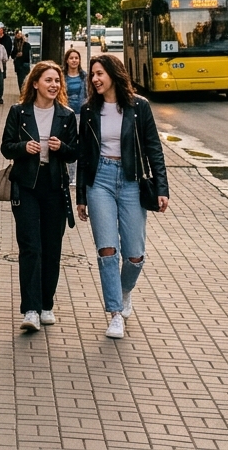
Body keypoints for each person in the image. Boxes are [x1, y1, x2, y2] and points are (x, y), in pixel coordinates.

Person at [76, 55, 169, 339]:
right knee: (107, 250)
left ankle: (124, 289)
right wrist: (81, 195)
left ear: (114, 74)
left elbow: (154, 148)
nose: (95, 79)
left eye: (100, 74)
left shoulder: (139, 107)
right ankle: (116, 313)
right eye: (92, 75)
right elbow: (84, 156)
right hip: (99, 181)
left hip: (130, 181)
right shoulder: (90, 110)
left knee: (135, 255)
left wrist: (162, 188)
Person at [0, 60, 78, 332]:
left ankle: (47, 305)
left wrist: (61, 147)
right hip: (27, 187)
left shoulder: (66, 115)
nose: (54, 85)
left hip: (55, 187)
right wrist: (24, 147)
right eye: (48, 80)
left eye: (57, 81)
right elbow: (6, 147)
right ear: (35, 83)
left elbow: (75, 152)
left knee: (52, 249)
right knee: (31, 247)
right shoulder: (18, 112)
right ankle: (30, 309)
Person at [63, 48, 86, 185]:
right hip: (66, 114)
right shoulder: (62, 76)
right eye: (71, 58)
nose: (74, 60)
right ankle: (68, 174)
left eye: (76, 58)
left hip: (80, 113)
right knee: (68, 143)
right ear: (67, 60)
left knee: (78, 144)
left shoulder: (84, 76)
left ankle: (76, 175)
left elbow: (89, 95)